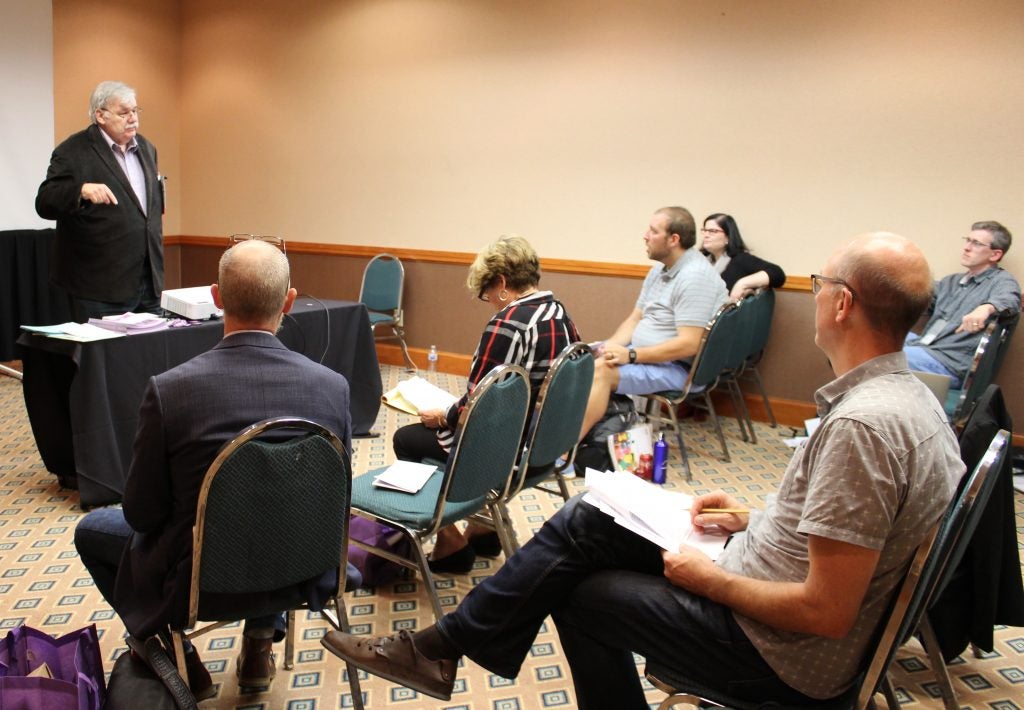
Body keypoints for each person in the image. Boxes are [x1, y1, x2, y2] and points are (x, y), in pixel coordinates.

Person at [321, 232, 965, 707]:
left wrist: (707, 581)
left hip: (780, 655)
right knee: (588, 518)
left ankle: (438, 649)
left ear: (843, 304)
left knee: (580, 590)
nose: (816, 295)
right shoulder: (912, 403)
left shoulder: (861, 428)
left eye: (820, 286)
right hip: (764, 577)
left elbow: (824, 612)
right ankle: (439, 649)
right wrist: (755, 516)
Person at [73, 240, 353, 698]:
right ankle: (261, 640)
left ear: (216, 298)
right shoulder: (333, 387)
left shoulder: (171, 390)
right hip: (304, 566)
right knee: (274, 508)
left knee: (91, 530)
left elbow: (143, 515)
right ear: (289, 300)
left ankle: (174, 655)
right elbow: (331, 501)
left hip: (202, 583)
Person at [392, 235, 581, 573]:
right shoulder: (559, 312)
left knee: (407, 439)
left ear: (502, 283)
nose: (490, 301)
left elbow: (477, 408)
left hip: (506, 456)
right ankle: (484, 529)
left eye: (487, 293)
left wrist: (444, 415)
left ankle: (450, 542)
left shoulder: (508, 323)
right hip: (544, 448)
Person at [579, 206, 727, 437]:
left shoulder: (695, 277)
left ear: (673, 240)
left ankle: (563, 454)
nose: (645, 235)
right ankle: (559, 439)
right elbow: (636, 318)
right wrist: (608, 347)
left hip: (679, 368)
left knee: (601, 373)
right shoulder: (660, 270)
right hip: (646, 356)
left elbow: (689, 344)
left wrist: (631, 355)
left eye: (653, 231)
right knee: (579, 362)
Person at [35, 80, 165, 322]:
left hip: (148, 282)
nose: (133, 118)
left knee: (151, 355)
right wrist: (80, 190)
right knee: (107, 358)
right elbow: (45, 201)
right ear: (100, 115)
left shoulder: (147, 148)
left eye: (135, 111)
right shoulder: (73, 151)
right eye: (124, 112)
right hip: (99, 287)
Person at [904, 220, 1020, 388]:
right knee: (873, 337)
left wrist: (986, 308)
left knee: (886, 357)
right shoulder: (951, 282)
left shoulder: (1001, 281)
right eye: (968, 240)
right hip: (924, 346)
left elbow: (1010, 300)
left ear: (995, 255)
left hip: (948, 363)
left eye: (976, 244)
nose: (967, 247)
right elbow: (918, 299)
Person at [700, 212, 786, 300]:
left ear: (728, 237)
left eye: (712, 231)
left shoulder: (740, 259)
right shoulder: (699, 260)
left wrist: (742, 283)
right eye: (704, 230)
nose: (706, 235)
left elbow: (777, 274)